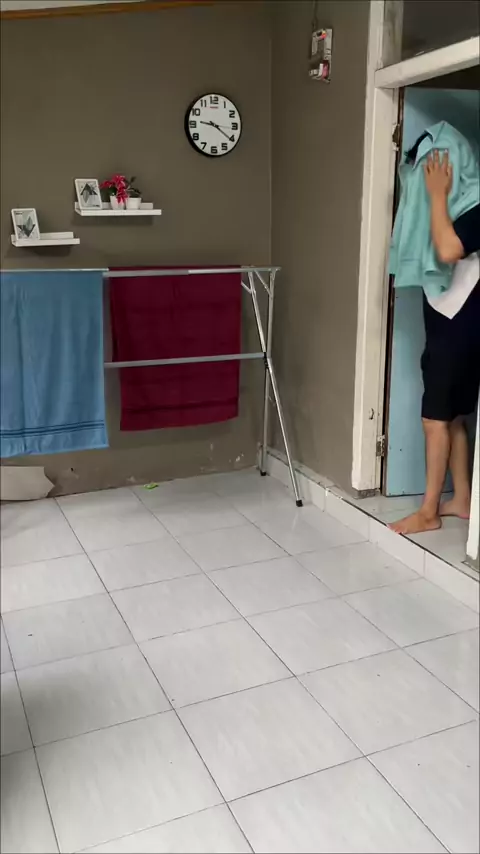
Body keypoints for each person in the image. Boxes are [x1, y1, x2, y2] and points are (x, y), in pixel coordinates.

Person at [390, 150, 480, 535]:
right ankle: (462, 499)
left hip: (461, 323)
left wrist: (438, 193)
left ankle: (428, 513)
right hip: (455, 322)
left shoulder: (475, 206)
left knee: (435, 418)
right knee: (454, 415)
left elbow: (447, 249)